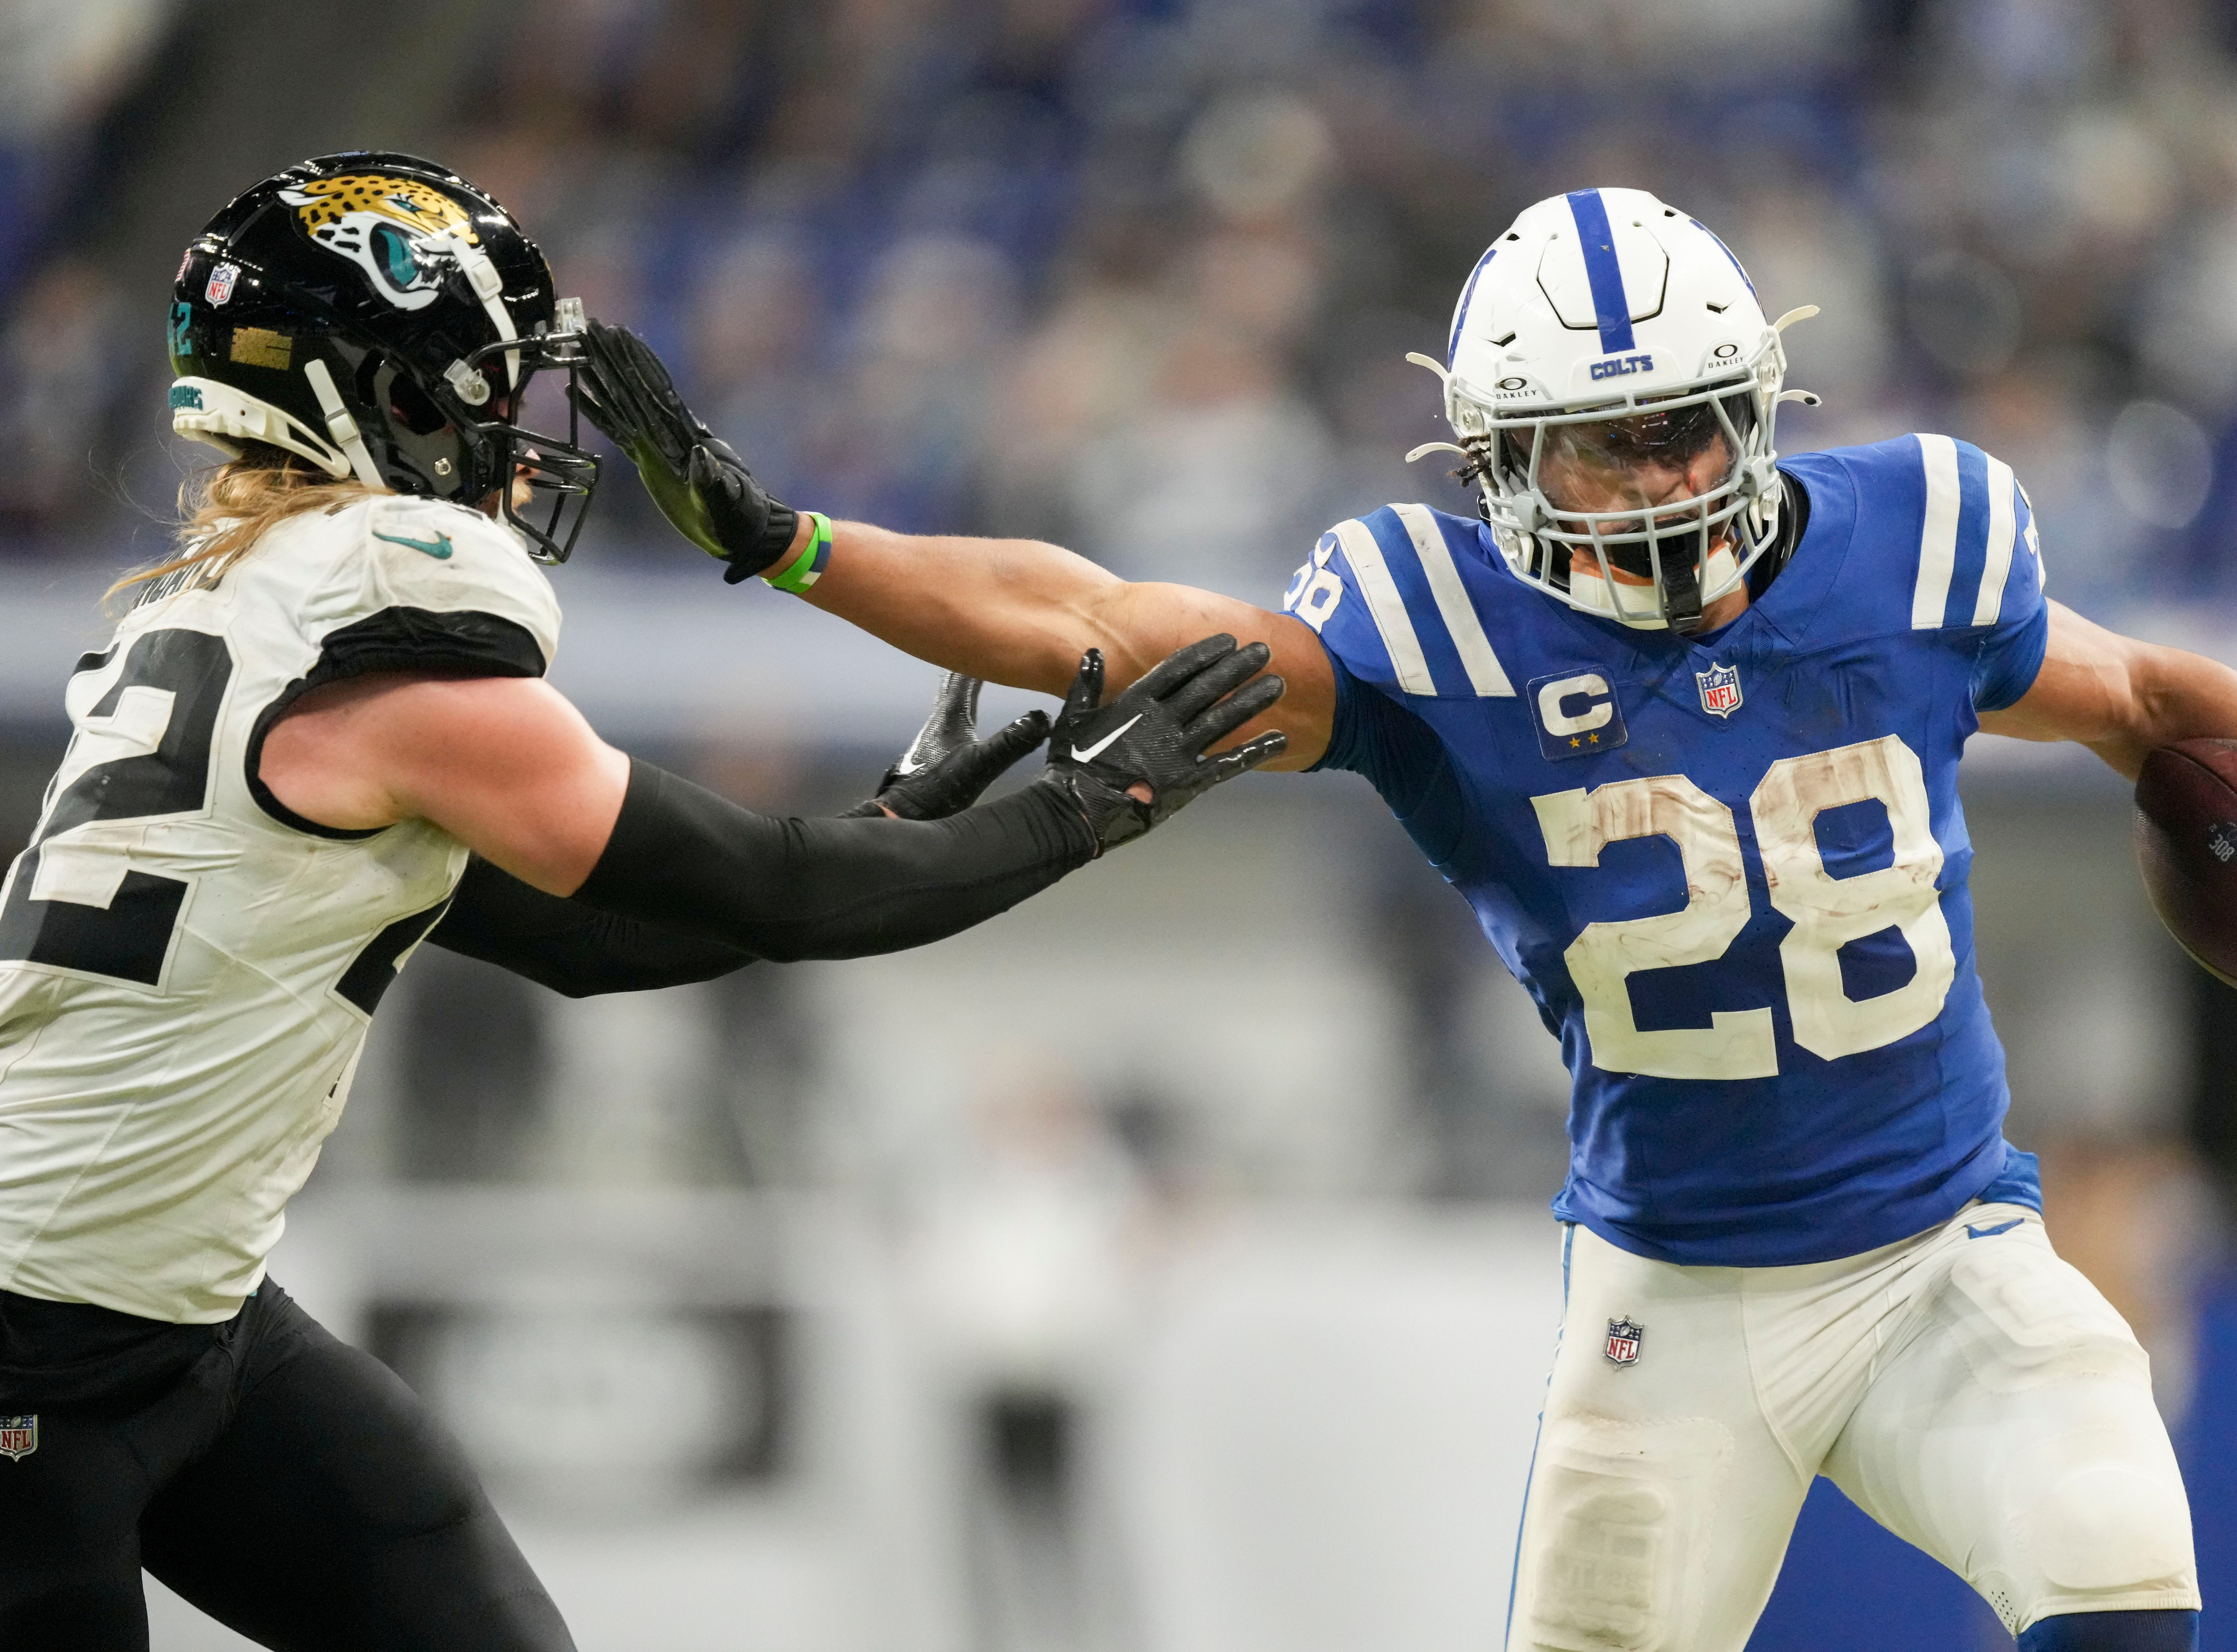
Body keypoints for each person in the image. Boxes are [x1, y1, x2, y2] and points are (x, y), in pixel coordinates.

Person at [583, 185, 2237, 1652]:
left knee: (2126, 1578)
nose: (1654, 487)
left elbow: (2151, 700)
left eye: (1682, 434)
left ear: (1756, 415)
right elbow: (1089, 615)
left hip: (1945, 1263)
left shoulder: (1912, 550)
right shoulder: (1427, 636)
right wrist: (791, 547)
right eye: (1599, 445)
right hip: (1675, 1309)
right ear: (1496, 457)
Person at [0, 152, 1285, 1651]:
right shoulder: (390, 660)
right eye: (478, 387)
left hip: (179, 1322)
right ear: (381, 392)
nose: (514, 432)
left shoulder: (246, 612)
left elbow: (593, 949)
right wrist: (1094, 804)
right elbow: (790, 899)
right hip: (37, 1352)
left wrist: (883, 826)